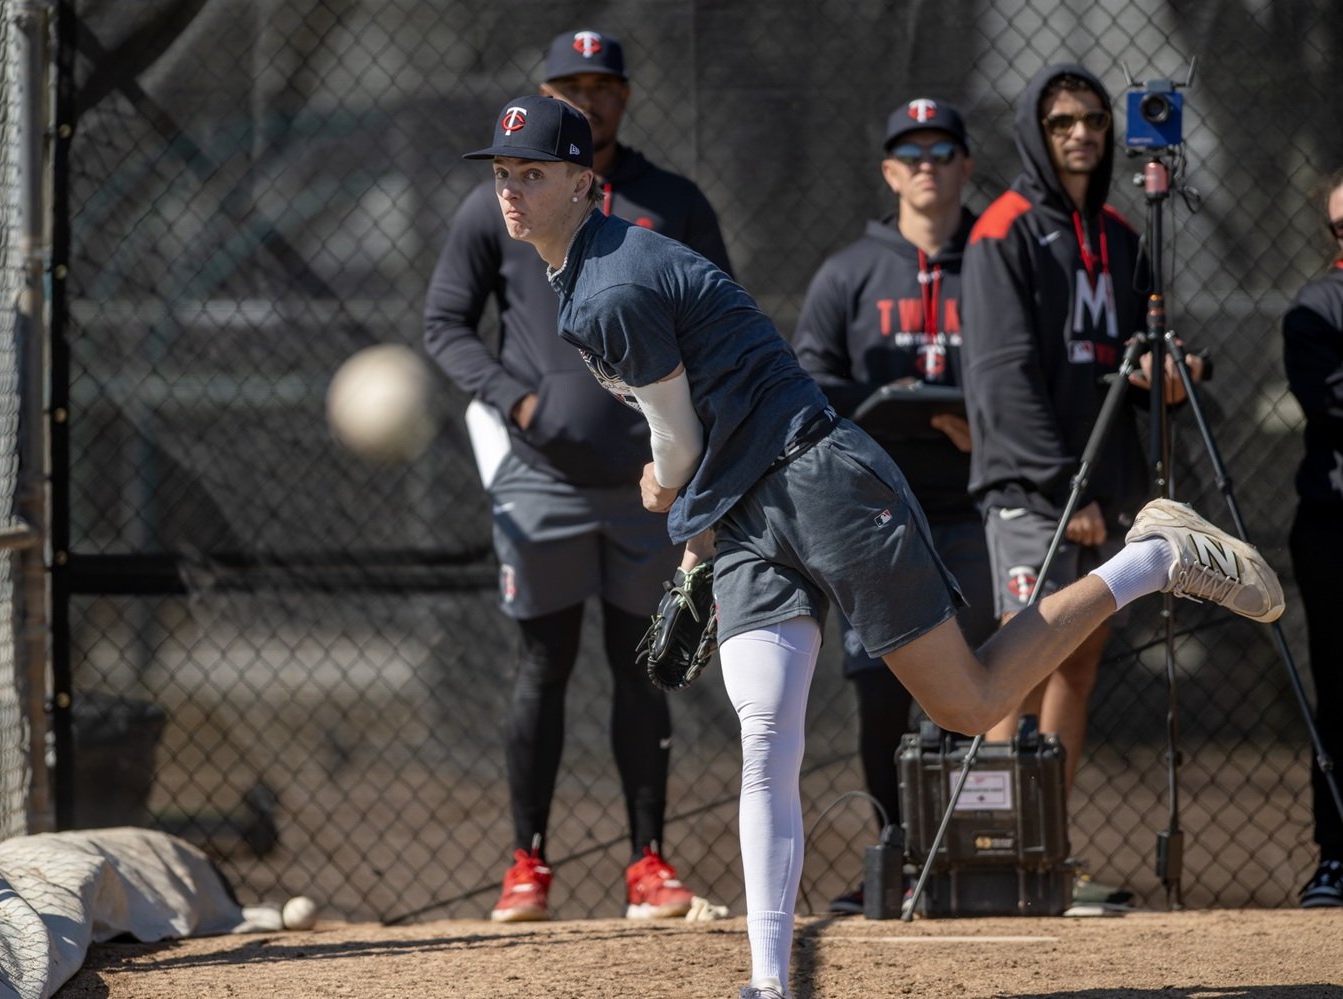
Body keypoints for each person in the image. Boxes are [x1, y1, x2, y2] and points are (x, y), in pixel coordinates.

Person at [460, 94, 1282, 999]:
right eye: (503, 175)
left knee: (969, 703)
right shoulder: (580, 270)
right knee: (765, 733)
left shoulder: (612, 281)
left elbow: (679, 445)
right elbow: (704, 434)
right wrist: (698, 542)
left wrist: (664, 493)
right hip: (747, 507)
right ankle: (769, 983)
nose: (512, 191)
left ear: (585, 181)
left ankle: (1152, 559)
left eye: (534, 173)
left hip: (819, 478)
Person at [422, 29, 730, 923]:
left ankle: (649, 865)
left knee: (644, 665)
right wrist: (517, 402)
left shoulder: (671, 202)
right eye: (570, 85)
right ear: (545, 92)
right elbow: (445, 323)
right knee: (542, 661)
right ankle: (527, 862)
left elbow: (718, 319)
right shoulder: (503, 203)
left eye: (603, 85)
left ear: (625, 97)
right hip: (542, 479)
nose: (588, 99)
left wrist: (683, 451)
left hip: (648, 480)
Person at [958, 64, 1205, 905]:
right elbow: (1002, 376)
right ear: (1037, 130)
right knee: (1018, 663)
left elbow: (1129, 354)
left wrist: (1165, 378)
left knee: (1079, 661)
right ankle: (991, 851)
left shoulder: (1121, 233)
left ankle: (1047, 851)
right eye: (1062, 121)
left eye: (1095, 120)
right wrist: (1063, 491)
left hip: (1108, 488)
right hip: (1039, 489)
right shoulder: (1003, 229)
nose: (1081, 135)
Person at [792, 97, 993, 914]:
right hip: (875, 512)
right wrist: (890, 408)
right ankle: (897, 855)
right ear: (888, 171)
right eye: (911, 154)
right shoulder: (848, 272)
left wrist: (985, 425)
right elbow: (807, 381)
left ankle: (964, 859)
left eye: (943, 151)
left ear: (966, 165)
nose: (927, 166)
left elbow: (1031, 372)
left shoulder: (998, 258)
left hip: (974, 504)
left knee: (967, 688)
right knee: (880, 689)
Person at [1282, 167, 1343, 908]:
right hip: (1334, 523)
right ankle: (1337, 854)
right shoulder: (1315, 307)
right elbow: (1330, 398)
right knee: (1339, 691)